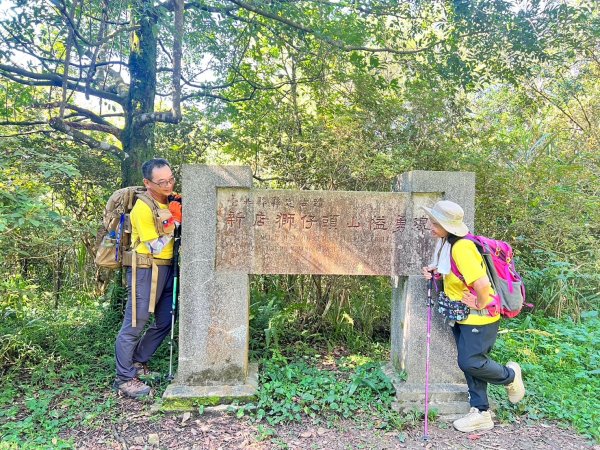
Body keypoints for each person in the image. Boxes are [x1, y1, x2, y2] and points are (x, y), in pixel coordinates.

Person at [421, 200, 525, 433]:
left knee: (470, 361)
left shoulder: (462, 247)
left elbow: (482, 283)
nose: (430, 226)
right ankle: (480, 412)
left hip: (479, 317)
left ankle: (510, 376)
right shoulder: (449, 243)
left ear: (448, 225)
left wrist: (481, 301)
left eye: (435, 223)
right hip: (463, 315)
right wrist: (436, 272)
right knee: (473, 365)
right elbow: (455, 272)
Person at [113, 158, 183, 398]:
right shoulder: (143, 208)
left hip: (168, 268)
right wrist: (175, 225)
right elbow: (154, 245)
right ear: (147, 182)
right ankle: (124, 378)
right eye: (162, 181)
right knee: (135, 322)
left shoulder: (172, 201)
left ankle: (139, 363)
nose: (168, 185)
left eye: (171, 179)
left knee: (166, 320)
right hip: (145, 268)